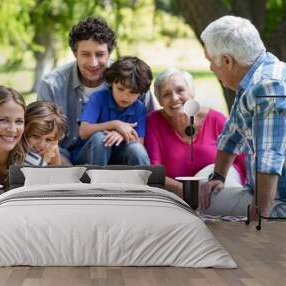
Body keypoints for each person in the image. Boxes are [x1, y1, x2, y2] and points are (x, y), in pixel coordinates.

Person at [200, 15, 286, 218]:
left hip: (279, 200)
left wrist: (258, 221)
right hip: (263, 193)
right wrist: (218, 176)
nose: (211, 68)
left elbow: (268, 156)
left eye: (211, 61)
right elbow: (232, 134)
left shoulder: (268, 86)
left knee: (200, 206)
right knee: (204, 196)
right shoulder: (255, 76)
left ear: (227, 61)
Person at [37, 16, 154, 164]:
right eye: (85, 54)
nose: (93, 63)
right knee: (99, 139)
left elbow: (152, 128)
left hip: (123, 157)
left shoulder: (131, 79)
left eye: (100, 54)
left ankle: (144, 185)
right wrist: (64, 169)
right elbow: (43, 139)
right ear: (75, 53)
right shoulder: (51, 85)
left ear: (109, 53)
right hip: (68, 160)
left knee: (132, 148)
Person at [145, 68, 246, 197]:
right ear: (159, 101)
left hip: (220, 184)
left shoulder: (216, 120)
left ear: (192, 92)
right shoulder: (154, 123)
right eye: (166, 94)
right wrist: (184, 189)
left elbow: (244, 158)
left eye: (180, 90)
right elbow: (153, 171)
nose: (174, 98)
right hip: (179, 195)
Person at [73, 56, 151, 165]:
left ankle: (146, 179)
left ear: (141, 92)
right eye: (120, 89)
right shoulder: (99, 98)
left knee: (136, 149)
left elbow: (139, 142)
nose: (125, 96)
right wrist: (115, 124)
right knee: (100, 139)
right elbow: (83, 132)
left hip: (118, 157)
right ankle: (97, 180)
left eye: (133, 92)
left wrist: (122, 134)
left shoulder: (139, 108)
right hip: (90, 157)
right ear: (112, 83)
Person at [24, 101, 67, 165]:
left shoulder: (51, 147)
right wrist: (43, 162)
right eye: (36, 136)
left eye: (48, 139)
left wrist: (54, 150)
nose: (41, 145)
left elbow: (57, 170)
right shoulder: (24, 157)